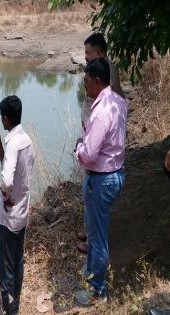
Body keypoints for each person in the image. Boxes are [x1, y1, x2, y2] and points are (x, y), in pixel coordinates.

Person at [74, 58, 127, 305]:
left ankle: (98, 292)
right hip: (113, 173)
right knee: (96, 232)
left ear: (96, 80)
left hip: (102, 178)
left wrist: (78, 149)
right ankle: (93, 276)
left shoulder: (102, 111)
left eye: (86, 80)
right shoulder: (117, 101)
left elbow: (88, 154)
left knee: (97, 236)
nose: (84, 85)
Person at [77, 32, 125, 253]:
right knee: (91, 190)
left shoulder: (107, 72)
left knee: (93, 178)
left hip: (101, 137)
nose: (85, 57)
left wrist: (82, 147)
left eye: (88, 52)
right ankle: (90, 233)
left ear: (99, 51)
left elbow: (115, 100)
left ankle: (96, 280)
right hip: (97, 131)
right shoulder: (97, 72)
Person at [0, 95, 34, 315]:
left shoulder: (14, 144)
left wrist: (4, 193)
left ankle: (10, 310)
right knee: (17, 261)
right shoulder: (25, 140)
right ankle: (15, 304)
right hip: (22, 213)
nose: (1, 120)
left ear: (6, 118)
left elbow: (7, 180)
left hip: (9, 216)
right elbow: (15, 172)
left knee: (5, 267)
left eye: (1, 116)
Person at [84, 33, 124, 98]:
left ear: (100, 53)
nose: (86, 58)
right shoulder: (107, 67)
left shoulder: (106, 71)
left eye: (88, 53)